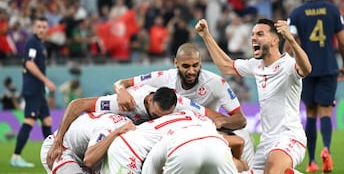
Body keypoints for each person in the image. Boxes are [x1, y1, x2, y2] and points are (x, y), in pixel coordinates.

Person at [195, 18, 312, 173]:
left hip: (289, 137)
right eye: (252, 34)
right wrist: (206, 36)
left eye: (260, 34)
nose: (253, 38)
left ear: (275, 40)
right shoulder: (256, 65)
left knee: (272, 171)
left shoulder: (288, 65)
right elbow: (226, 66)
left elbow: (306, 69)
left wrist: (291, 38)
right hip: (266, 141)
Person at [46, 86, 223, 169]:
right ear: (149, 100)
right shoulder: (127, 102)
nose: (157, 120)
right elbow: (78, 104)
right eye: (154, 115)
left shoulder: (179, 105)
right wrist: (58, 141)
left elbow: (217, 118)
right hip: (74, 145)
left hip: (105, 144)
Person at [286, 0, 344, 173]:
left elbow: (291, 42)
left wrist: (286, 63)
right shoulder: (332, 10)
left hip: (306, 70)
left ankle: (312, 161)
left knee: (311, 114)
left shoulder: (296, 13)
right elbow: (343, 41)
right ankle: (326, 151)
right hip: (329, 68)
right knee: (326, 112)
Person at [113, 42, 247, 131]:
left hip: (204, 130)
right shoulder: (164, 77)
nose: (191, 71)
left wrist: (222, 123)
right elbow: (121, 83)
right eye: (186, 66)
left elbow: (240, 120)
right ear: (176, 63)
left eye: (195, 65)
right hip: (172, 130)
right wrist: (121, 91)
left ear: (200, 63)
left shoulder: (216, 82)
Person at [85, 109, 239, 174]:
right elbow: (239, 141)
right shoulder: (208, 130)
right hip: (129, 150)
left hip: (135, 144)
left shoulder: (191, 118)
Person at [10, 17, 56, 168]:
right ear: (34, 28)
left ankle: (52, 156)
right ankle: (15, 157)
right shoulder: (32, 43)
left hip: (38, 91)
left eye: (44, 26)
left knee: (47, 121)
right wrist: (46, 81)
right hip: (32, 90)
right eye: (39, 26)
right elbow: (29, 63)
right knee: (29, 121)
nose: (42, 29)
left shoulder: (40, 45)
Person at [40, 111, 135, 173]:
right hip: (60, 149)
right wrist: (116, 133)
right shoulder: (107, 129)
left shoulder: (131, 128)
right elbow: (89, 160)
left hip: (83, 154)